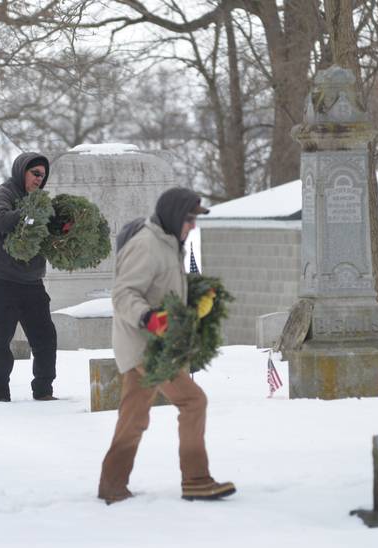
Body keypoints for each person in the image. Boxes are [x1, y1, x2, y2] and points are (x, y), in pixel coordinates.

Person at [98, 186, 236, 504]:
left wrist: (198, 292)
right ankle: (196, 480)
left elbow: (164, 286)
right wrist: (148, 317)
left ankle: (112, 485)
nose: (194, 226)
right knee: (193, 401)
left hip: (153, 345)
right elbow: (123, 294)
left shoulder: (170, 243)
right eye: (190, 218)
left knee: (133, 417)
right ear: (175, 216)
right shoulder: (147, 245)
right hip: (146, 345)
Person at [0, 152, 58, 403]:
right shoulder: (3, 194)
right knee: (1, 338)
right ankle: (0, 394)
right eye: (35, 174)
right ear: (21, 171)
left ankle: (43, 390)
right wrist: (29, 215)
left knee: (45, 336)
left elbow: (48, 232)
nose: (39, 180)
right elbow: (1, 220)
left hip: (31, 280)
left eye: (43, 176)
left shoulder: (38, 201)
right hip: (2, 279)